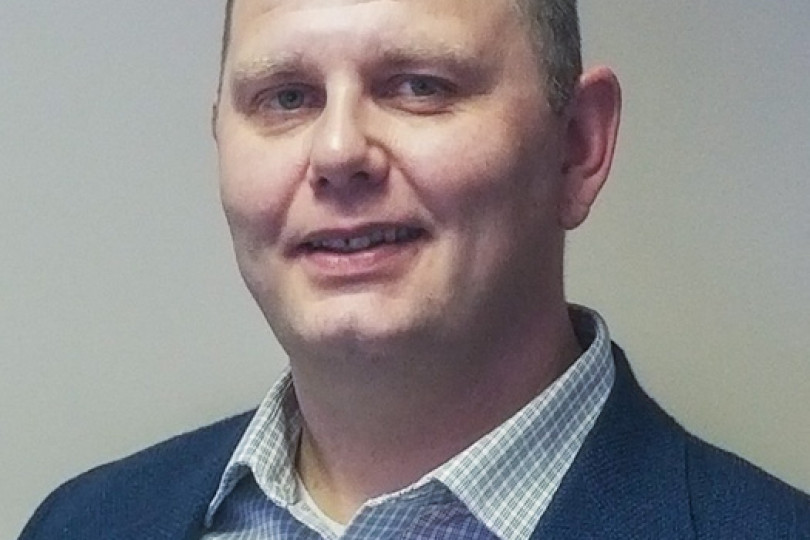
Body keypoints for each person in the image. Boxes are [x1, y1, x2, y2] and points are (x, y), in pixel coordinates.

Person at [19, 0, 810, 538]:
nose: (338, 152)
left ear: (576, 146)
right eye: (287, 98)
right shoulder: (83, 523)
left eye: (419, 87)